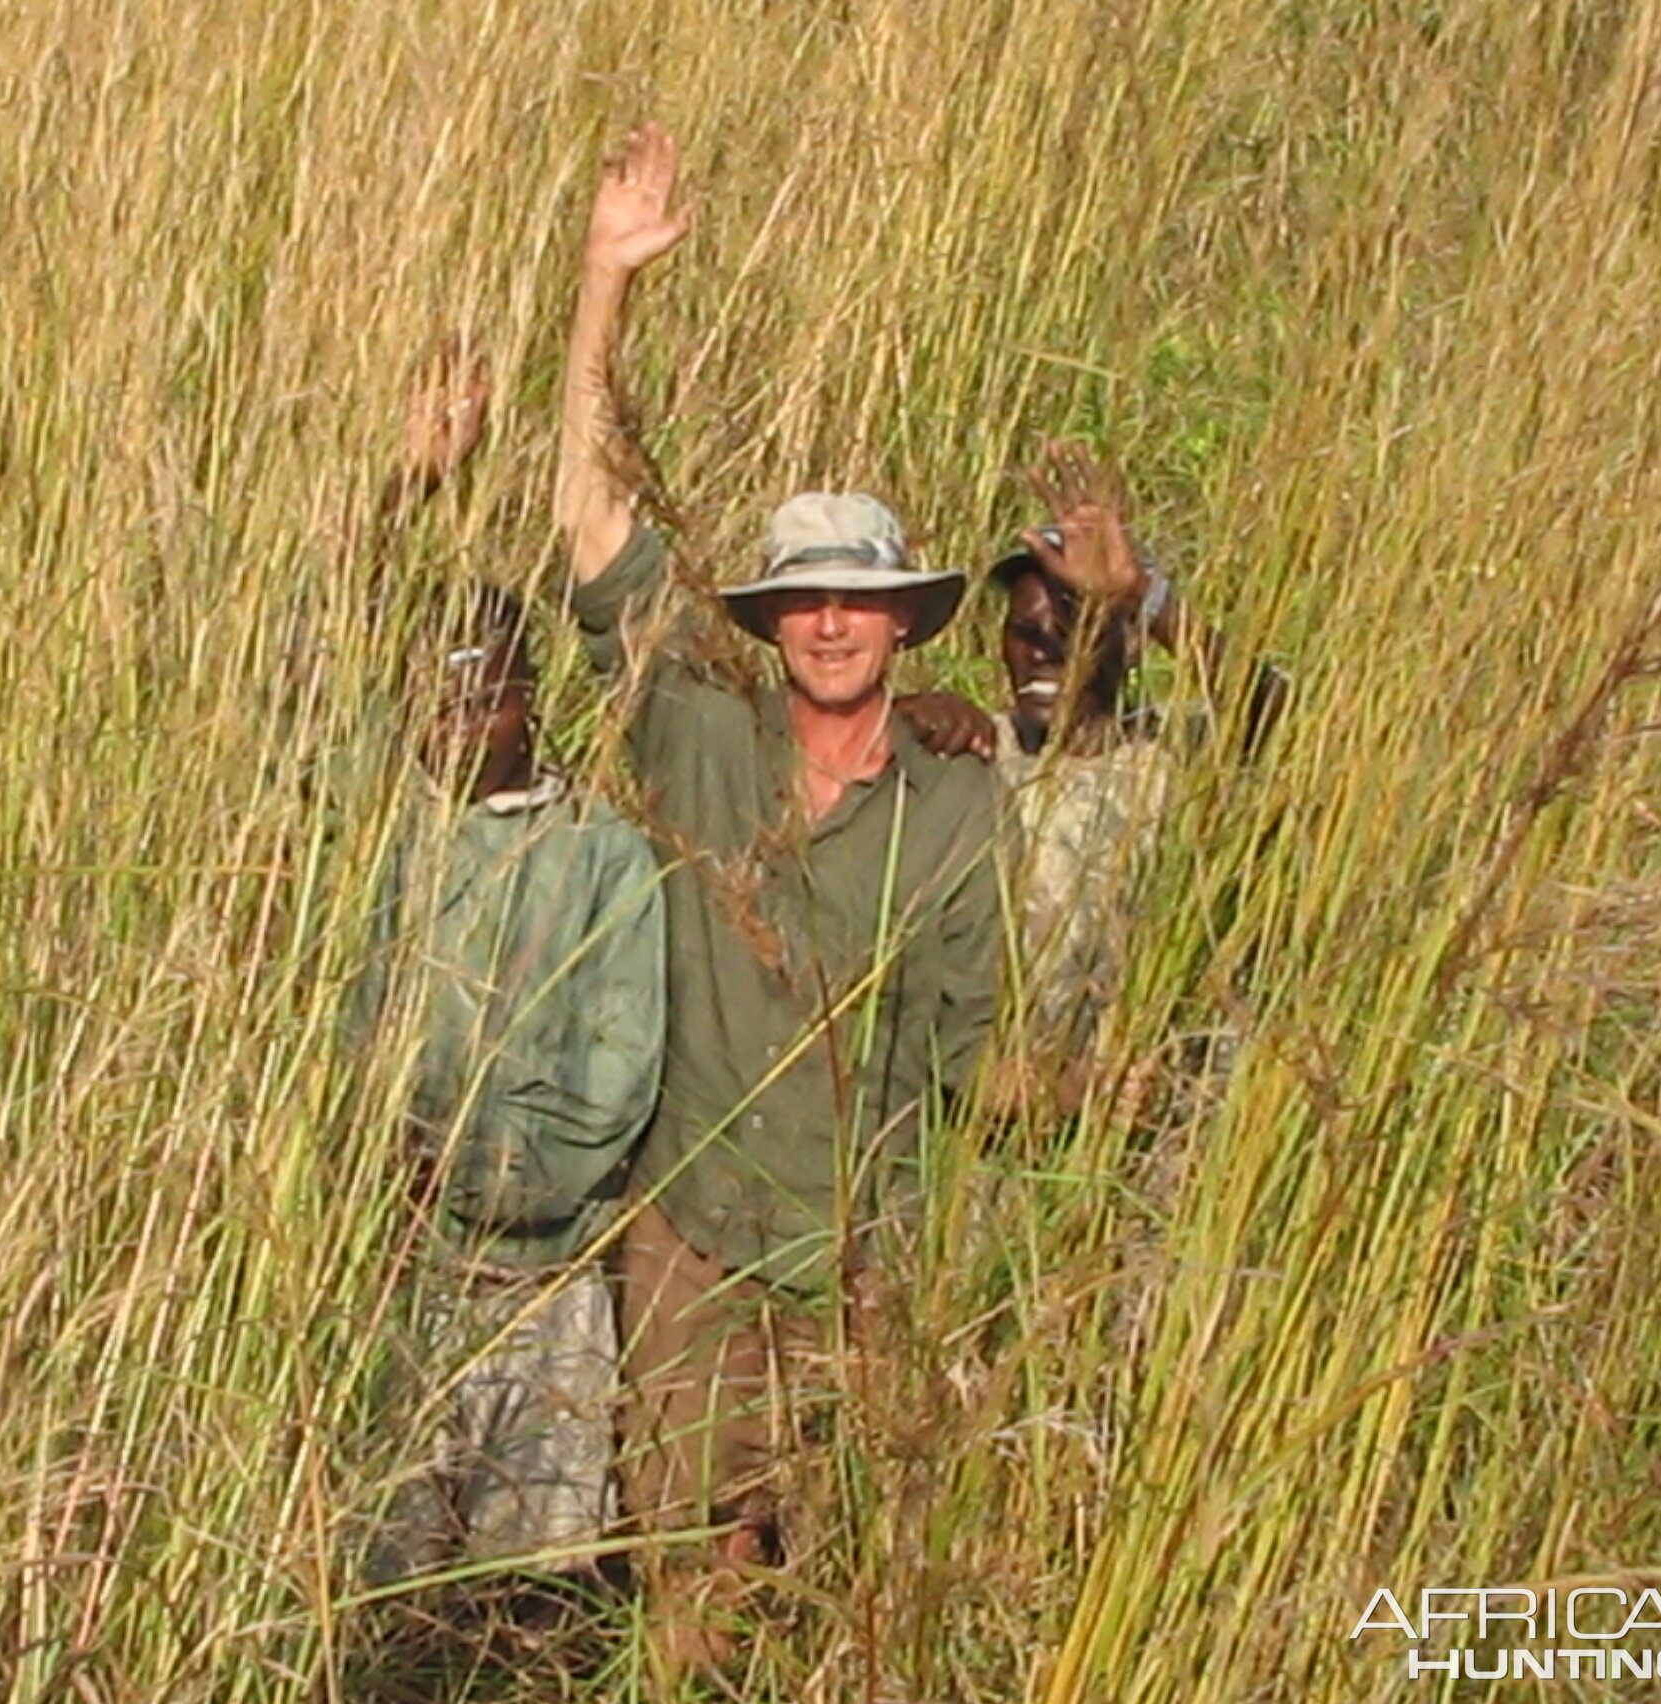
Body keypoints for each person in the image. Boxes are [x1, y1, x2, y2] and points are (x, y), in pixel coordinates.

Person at [553, 123, 1003, 1676]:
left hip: (858, 1248)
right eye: (803, 596)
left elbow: (966, 1055)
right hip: (686, 1229)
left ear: (901, 622)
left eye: (857, 600)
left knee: (847, 1592)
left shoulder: (959, 791)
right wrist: (602, 286)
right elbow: (594, 524)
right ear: (770, 615)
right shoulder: (701, 720)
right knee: (684, 1586)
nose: (827, 622)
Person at [359, 368, 667, 1598]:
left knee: (526, 1582)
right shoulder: (386, 844)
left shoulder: (602, 856)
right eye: (437, 685)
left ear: (529, 696)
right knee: (386, 1571)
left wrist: (484, 1173)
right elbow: (297, 631)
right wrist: (409, 477)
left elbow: (616, 1077)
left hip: (543, 1280)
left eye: (486, 681)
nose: (459, 711)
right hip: (396, 1276)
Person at [985, 443, 1286, 1114]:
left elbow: (1285, 716)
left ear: (1129, 644)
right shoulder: (976, 752)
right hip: (1002, 1119)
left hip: (1157, 1118)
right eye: (1024, 630)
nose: (1044, 648)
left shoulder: (1176, 749)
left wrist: (1147, 600)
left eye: (1073, 624)